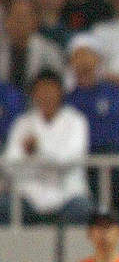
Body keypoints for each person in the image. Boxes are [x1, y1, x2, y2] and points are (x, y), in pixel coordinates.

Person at [2, 70, 92, 224]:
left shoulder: (76, 121)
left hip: (68, 195)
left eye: (51, 89)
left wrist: (37, 152)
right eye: (41, 90)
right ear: (33, 94)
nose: (46, 95)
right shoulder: (23, 123)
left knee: (84, 209)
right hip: (28, 197)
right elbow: (10, 163)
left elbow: (68, 161)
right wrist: (40, 161)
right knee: (3, 206)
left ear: (60, 92)